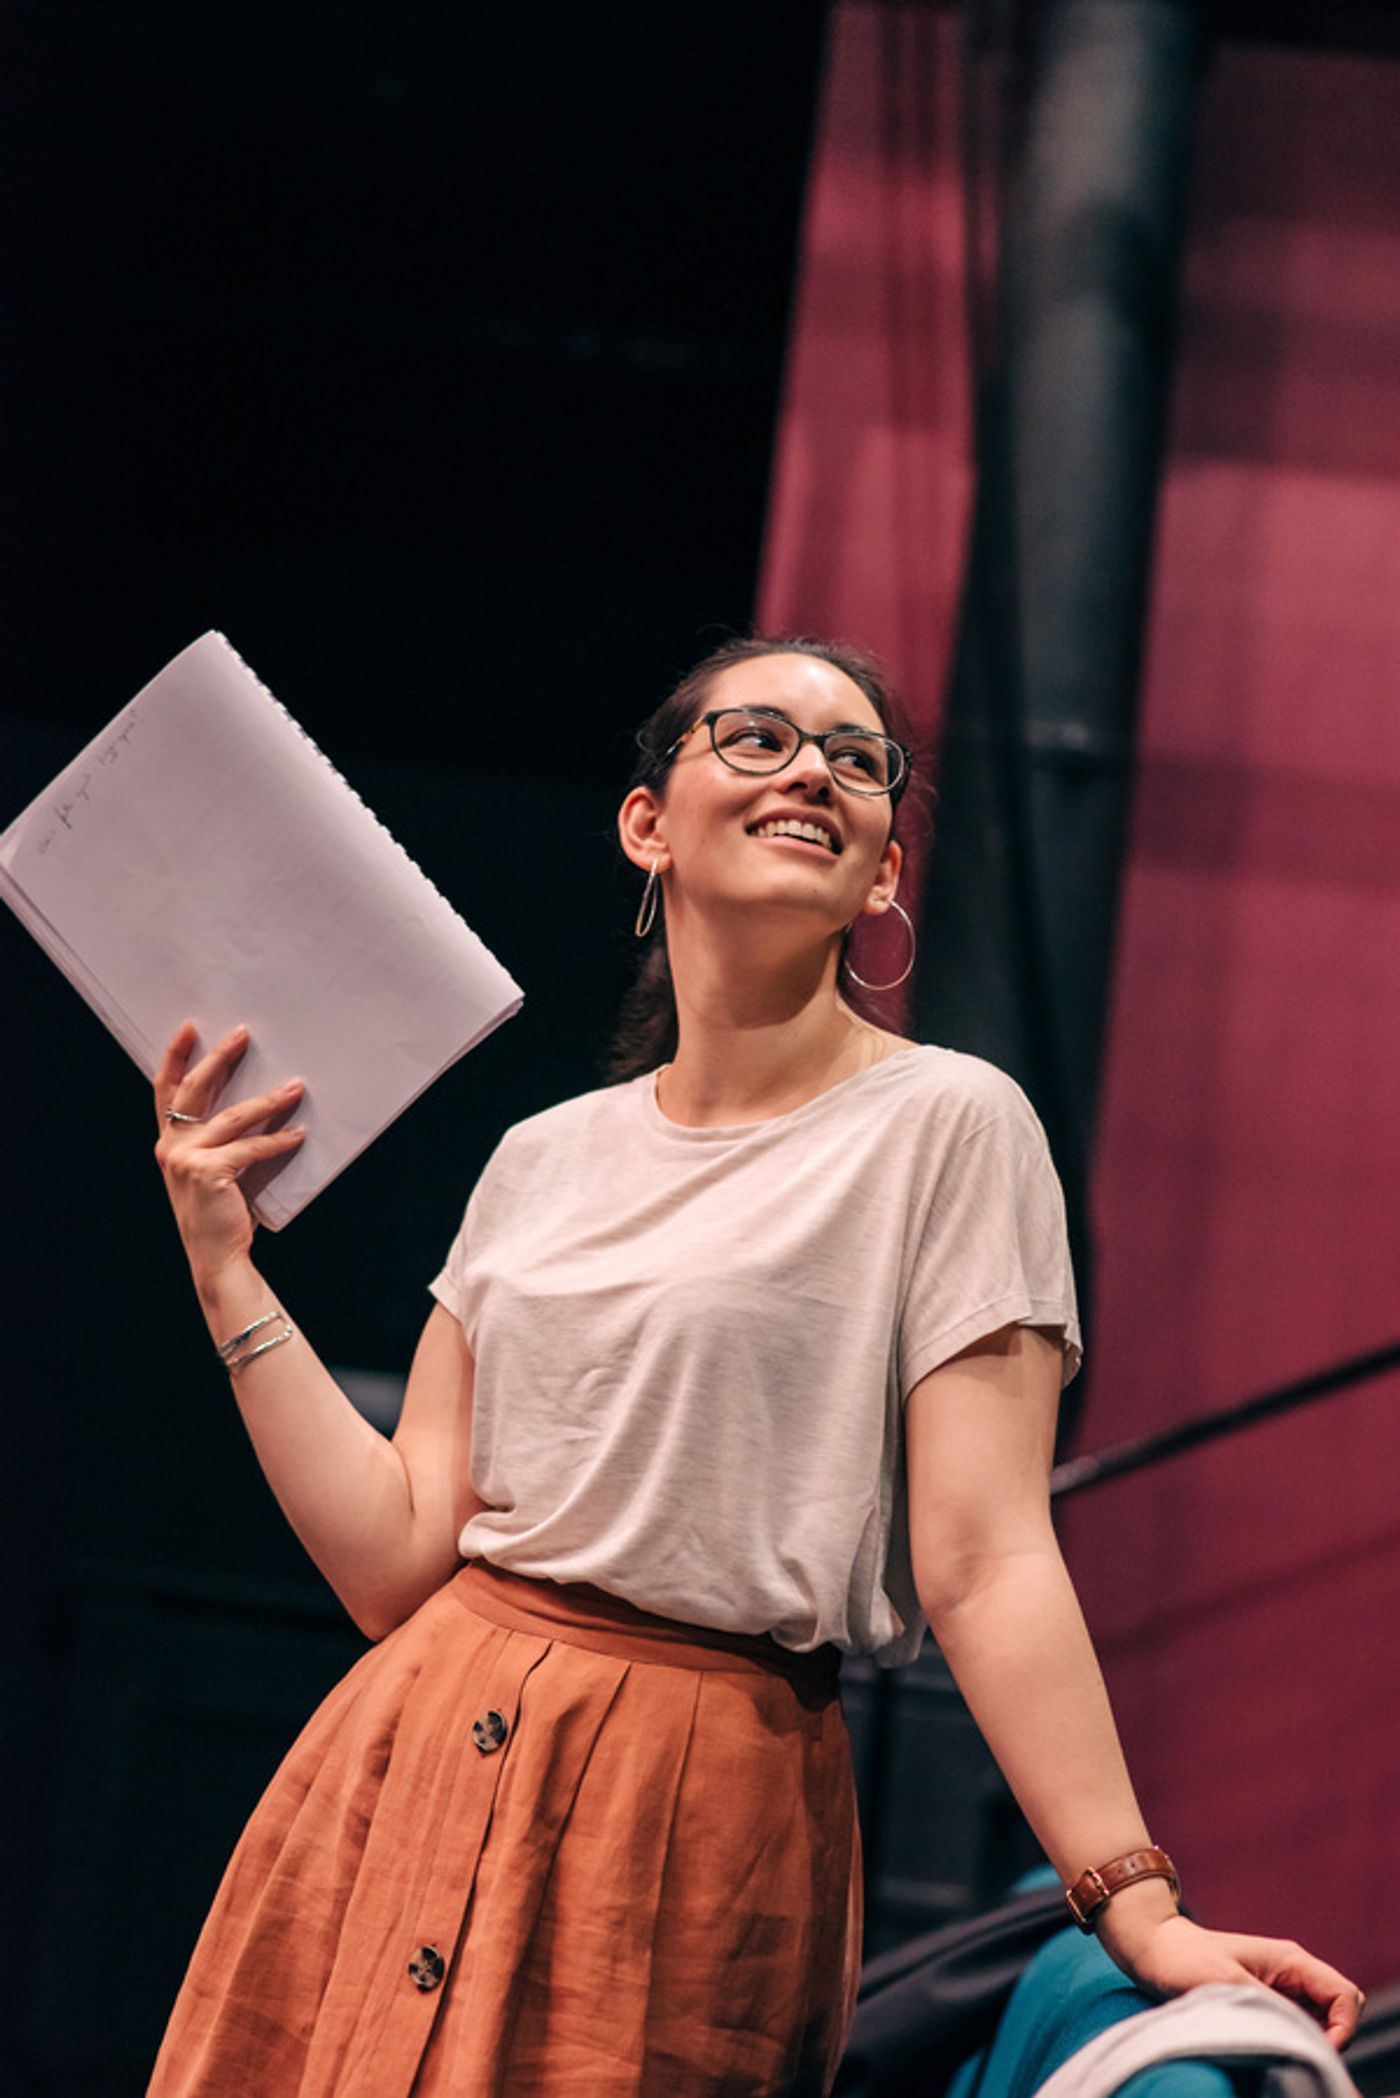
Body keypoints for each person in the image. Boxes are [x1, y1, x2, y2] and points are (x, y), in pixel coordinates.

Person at [146, 637, 1361, 2098]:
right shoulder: (543, 1156)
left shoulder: (950, 1129)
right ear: (647, 822)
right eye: (760, 735)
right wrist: (227, 1271)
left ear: (883, 876)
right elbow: (396, 1555)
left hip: (690, 1802)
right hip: (403, 1762)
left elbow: (985, 1559)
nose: (813, 770)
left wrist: (1140, 1906)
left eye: (859, 761)